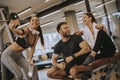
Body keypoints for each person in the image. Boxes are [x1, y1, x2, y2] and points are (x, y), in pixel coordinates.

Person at [70, 12, 116, 78]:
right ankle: (85, 74)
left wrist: (103, 28)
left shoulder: (99, 26)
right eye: (82, 18)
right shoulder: (85, 31)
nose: (83, 19)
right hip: (100, 53)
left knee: (101, 32)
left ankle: (93, 54)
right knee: (84, 56)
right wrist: (77, 33)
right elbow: (79, 33)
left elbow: (106, 36)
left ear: (90, 18)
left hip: (109, 49)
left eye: (84, 17)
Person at [1, 13, 44, 80]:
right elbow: (19, 32)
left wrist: (30, 61)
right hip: (8, 55)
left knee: (33, 69)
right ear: (29, 22)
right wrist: (12, 29)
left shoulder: (36, 35)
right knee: (19, 75)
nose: (35, 22)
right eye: (33, 20)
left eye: (37, 20)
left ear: (39, 23)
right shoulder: (26, 31)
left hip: (18, 56)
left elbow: (32, 49)